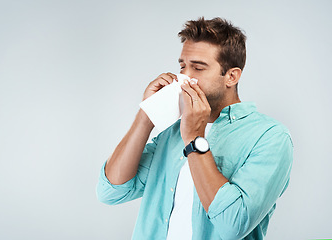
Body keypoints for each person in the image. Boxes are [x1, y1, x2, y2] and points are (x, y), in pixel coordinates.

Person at [96, 17, 293, 240]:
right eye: (182, 66)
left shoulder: (270, 138)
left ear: (231, 76)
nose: (185, 77)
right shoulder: (171, 133)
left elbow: (233, 226)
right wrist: (146, 114)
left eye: (198, 68)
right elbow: (111, 191)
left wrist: (194, 139)